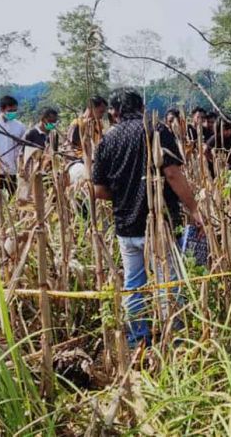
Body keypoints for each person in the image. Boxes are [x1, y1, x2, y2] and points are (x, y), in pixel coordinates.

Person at [92, 88, 203, 348]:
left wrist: (123, 197)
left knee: (133, 284)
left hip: (125, 226)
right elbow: (173, 174)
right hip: (158, 225)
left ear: (114, 112)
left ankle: (136, 341)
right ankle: (172, 340)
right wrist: (194, 208)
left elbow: (98, 190)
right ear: (142, 108)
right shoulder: (156, 130)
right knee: (167, 283)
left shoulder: (107, 140)